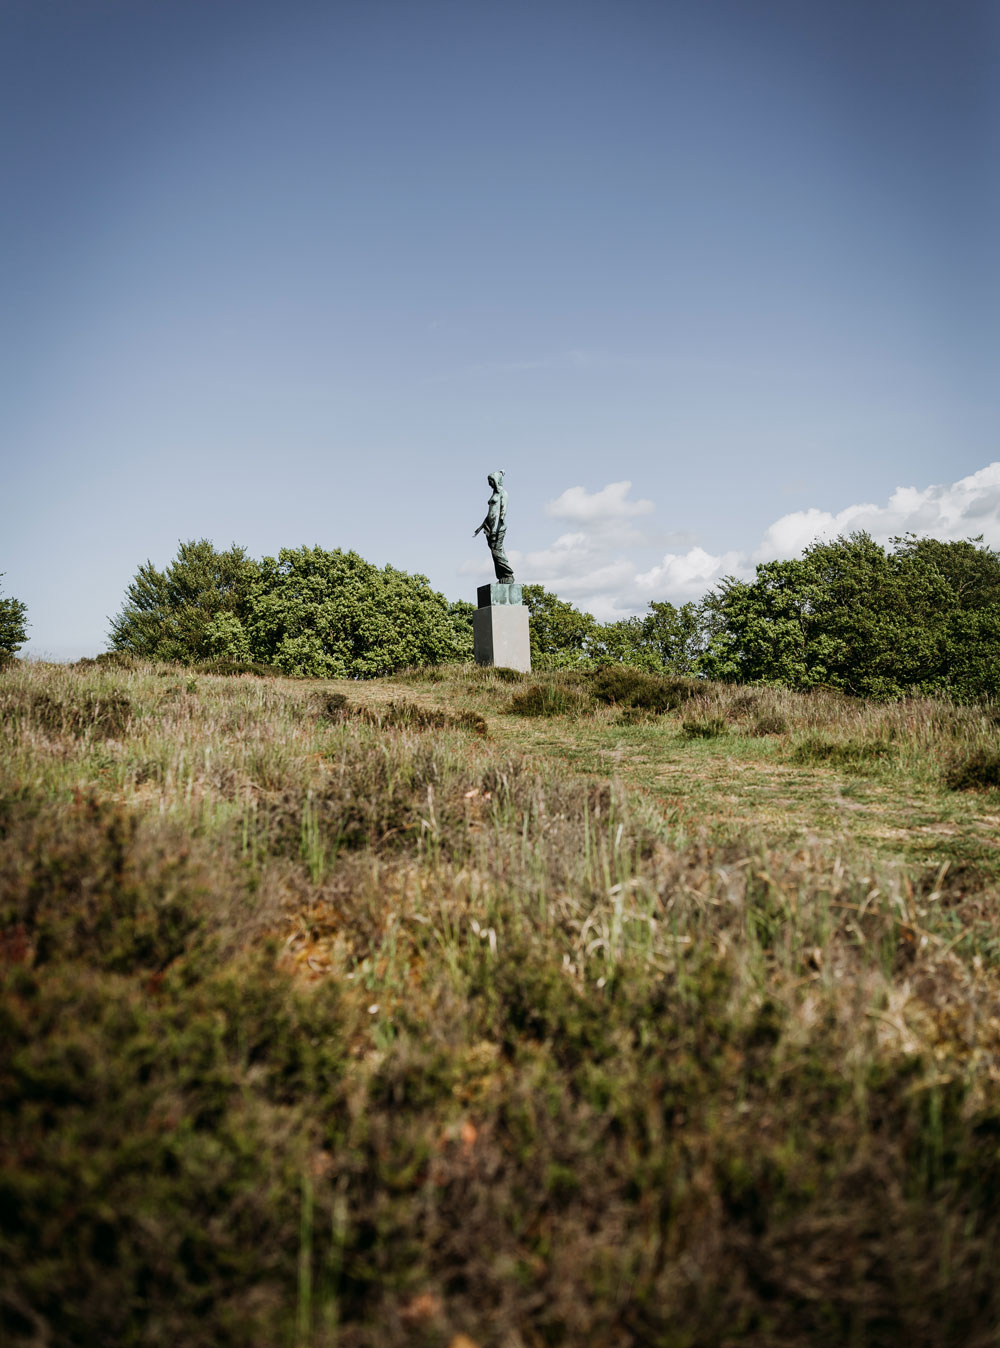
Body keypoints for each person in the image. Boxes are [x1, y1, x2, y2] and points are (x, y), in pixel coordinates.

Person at [473, 470, 515, 582]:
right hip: (489, 527)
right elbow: (490, 513)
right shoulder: (494, 494)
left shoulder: (503, 493)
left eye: (490, 481)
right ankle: (502, 577)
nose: (489, 484)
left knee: (497, 552)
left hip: (498, 528)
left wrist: (494, 531)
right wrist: (481, 526)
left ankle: (509, 574)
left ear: (496, 481)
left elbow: (501, 513)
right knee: (494, 552)